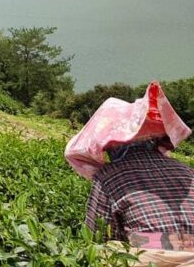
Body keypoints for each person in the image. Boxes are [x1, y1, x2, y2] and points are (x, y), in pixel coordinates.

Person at [67, 82, 194, 255]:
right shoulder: (186, 170)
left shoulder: (108, 177)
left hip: (152, 261)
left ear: (111, 146)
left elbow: (96, 240)